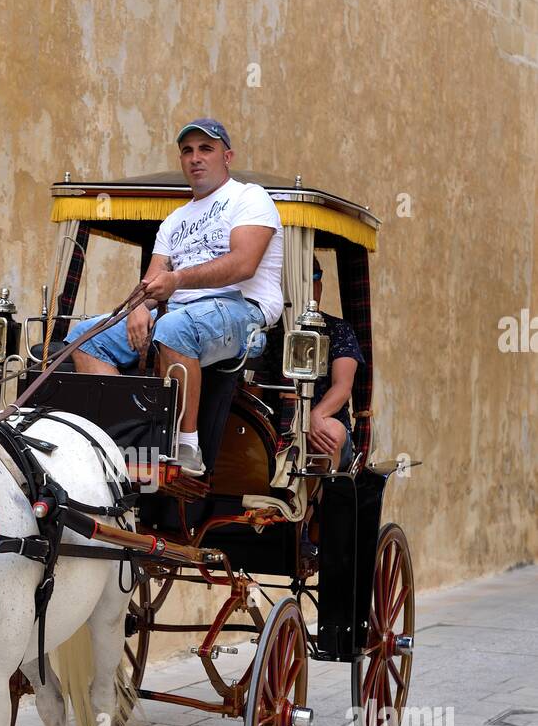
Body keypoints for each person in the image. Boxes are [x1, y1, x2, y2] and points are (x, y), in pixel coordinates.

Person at [69, 118, 284, 476]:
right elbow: (153, 280)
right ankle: (119, 438)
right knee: (84, 336)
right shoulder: (173, 221)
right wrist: (138, 305)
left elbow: (244, 264)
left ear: (226, 156)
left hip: (243, 312)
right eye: (187, 151)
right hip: (183, 314)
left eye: (206, 149)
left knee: (172, 328)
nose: (195, 158)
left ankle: (185, 449)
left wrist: (177, 280)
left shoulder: (249, 197)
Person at [308, 255, 364, 471]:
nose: (313, 284)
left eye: (316, 275)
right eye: (306, 276)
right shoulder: (272, 328)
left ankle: (316, 502)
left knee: (329, 432)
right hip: (281, 419)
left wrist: (316, 416)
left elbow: (342, 386)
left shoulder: (338, 329)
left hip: (325, 419)